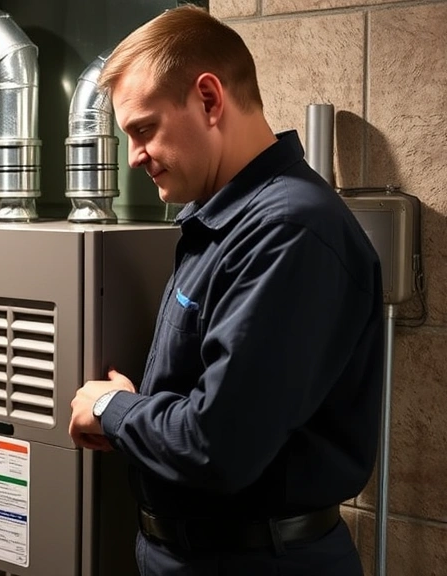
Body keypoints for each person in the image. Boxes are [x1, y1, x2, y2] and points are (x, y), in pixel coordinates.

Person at [67, 6, 383, 576]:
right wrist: (139, 414)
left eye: (143, 129)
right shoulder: (222, 221)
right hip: (195, 552)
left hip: (256, 560)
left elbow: (217, 445)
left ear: (210, 99)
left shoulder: (288, 231)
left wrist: (113, 409)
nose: (134, 156)